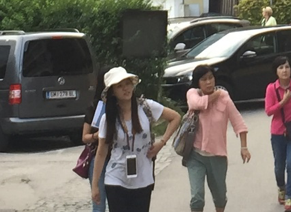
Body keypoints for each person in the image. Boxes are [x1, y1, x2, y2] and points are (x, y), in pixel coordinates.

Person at [91, 67, 180, 212]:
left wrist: (161, 143)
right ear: (112, 92)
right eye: (120, 86)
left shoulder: (146, 107)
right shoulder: (108, 119)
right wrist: (95, 185)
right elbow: (101, 152)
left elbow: (175, 117)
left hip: (143, 177)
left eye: (127, 83)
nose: (125, 88)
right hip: (116, 177)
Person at [185, 64, 251, 212]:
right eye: (204, 79)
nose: (208, 82)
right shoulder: (192, 94)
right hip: (195, 155)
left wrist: (244, 147)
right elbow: (198, 104)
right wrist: (218, 94)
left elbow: (239, 122)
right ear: (197, 82)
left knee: (220, 196)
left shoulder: (225, 100)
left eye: (211, 78)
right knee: (197, 196)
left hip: (217, 156)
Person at [265, 56, 291, 211]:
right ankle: (281, 188)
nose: (284, 70)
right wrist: (283, 102)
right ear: (276, 71)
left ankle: (290, 197)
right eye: (281, 68)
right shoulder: (271, 89)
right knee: (279, 166)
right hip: (277, 132)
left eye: (287, 67)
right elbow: (269, 111)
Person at [82, 69, 107, 212]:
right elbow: (84, 137)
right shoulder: (94, 106)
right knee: (99, 204)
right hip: (97, 156)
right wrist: (97, 135)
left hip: (118, 158)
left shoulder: (124, 105)